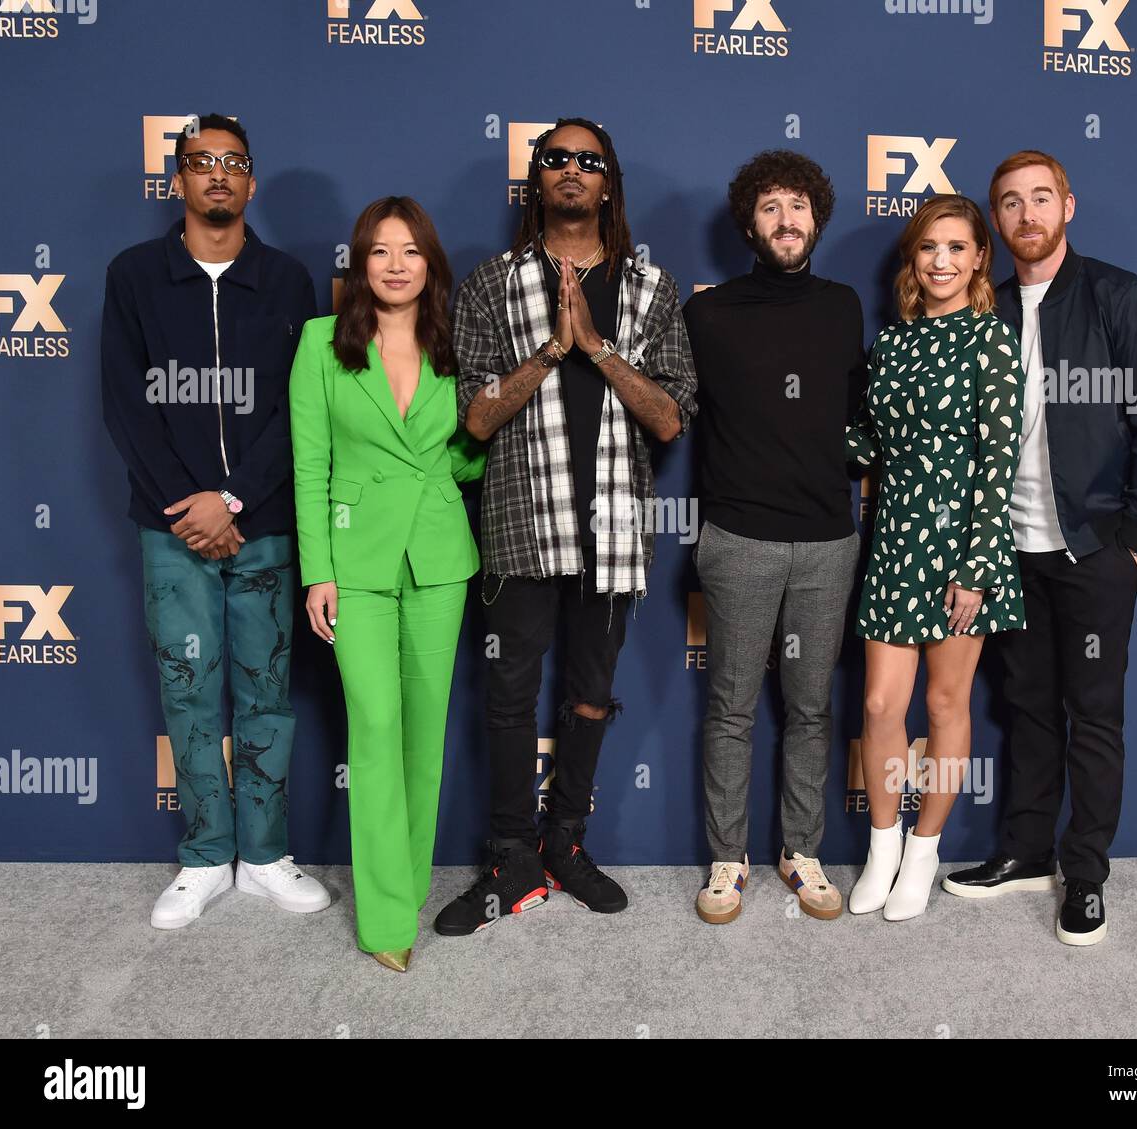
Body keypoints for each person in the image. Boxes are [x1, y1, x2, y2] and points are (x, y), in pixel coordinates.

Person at [436, 117, 697, 936]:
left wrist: (599, 348)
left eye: (590, 161)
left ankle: (567, 843)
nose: (573, 171)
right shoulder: (489, 284)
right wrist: (553, 350)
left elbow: (671, 416)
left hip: (613, 529)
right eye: (557, 159)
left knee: (590, 695)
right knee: (510, 694)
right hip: (522, 522)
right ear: (536, 179)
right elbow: (474, 419)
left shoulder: (653, 289)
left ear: (609, 183)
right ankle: (510, 856)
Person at [942, 152, 1137, 946]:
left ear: (1067, 206)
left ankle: (1085, 873)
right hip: (1010, 553)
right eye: (1009, 204)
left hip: (1094, 550)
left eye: (1040, 198)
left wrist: (1135, 539)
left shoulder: (1120, 296)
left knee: (1096, 714)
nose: (1026, 215)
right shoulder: (988, 310)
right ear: (995, 223)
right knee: (1027, 708)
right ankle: (1025, 849)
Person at [101, 113, 329, 929]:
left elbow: (298, 412)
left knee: (266, 692)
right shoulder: (134, 275)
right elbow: (127, 406)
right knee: (188, 689)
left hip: (262, 521)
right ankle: (204, 854)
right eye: (202, 162)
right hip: (171, 529)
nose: (219, 175)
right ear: (178, 180)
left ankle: (263, 852)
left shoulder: (288, 280)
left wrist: (231, 499)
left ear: (251, 181)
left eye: (234, 162)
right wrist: (191, 505)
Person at [290, 197, 486, 972]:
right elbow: (310, 465)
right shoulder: (319, 344)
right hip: (357, 562)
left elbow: (470, 449)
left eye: (410, 250)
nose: (396, 264)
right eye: (380, 250)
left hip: (439, 559)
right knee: (373, 726)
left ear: (430, 263)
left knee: (423, 736)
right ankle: (384, 919)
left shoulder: (456, 347)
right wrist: (318, 571)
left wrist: (446, 474)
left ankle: (405, 887)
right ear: (359, 263)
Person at [683, 151, 863, 924]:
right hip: (739, 538)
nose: (786, 220)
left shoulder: (845, 306)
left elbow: (856, 417)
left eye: (797, 205)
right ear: (748, 224)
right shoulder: (707, 313)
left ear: (816, 216)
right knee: (730, 706)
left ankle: (802, 851)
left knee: (811, 707)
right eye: (769, 207)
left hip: (828, 539)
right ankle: (729, 859)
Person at [846, 194, 1025, 922]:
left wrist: (976, 567)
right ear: (912, 260)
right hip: (896, 537)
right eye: (929, 247)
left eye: (957, 247)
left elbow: (999, 459)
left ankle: (925, 848)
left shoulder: (992, 341)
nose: (943, 261)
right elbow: (862, 444)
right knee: (881, 704)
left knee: (946, 703)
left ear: (980, 257)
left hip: (962, 547)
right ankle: (881, 846)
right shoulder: (889, 345)